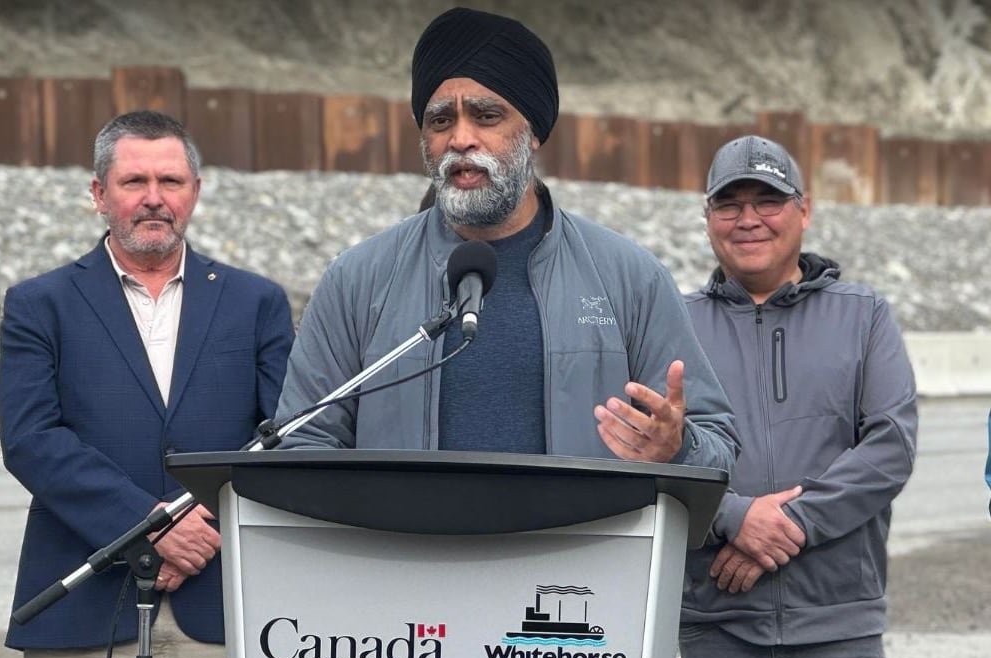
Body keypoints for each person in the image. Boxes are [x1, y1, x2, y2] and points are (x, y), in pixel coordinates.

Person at [275, 6, 738, 471]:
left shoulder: (629, 277)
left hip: (580, 542)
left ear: (533, 132)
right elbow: (301, 440)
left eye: (486, 116)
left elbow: (718, 447)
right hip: (402, 543)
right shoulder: (357, 279)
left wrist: (677, 446)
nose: (460, 139)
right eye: (440, 121)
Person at [0, 110, 293, 658]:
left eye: (170, 179)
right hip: (83, 603)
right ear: (99, 193)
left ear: (195, 190)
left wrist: (201, 526)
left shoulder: (257, 303)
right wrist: (152, 527)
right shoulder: (39, 304)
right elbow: (31, 438)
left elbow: (283, 436)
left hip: (222, 603)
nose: (153, 196)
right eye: (134, 180)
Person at [679, 135, 918, 658]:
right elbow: (654, 456)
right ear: (707, 217)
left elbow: (890, 445)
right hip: (717, 626)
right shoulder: (675, 327)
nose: (749, 219)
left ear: (803, 211)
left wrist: (789, 525)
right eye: (730, 204)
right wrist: (733, 518)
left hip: (839, 626)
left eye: (768, 201)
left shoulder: (864, 315)